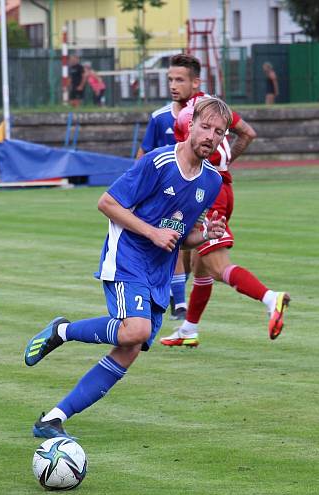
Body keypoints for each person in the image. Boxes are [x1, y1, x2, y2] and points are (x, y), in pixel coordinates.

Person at [23, 97, 232, 439]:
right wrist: (152, 232)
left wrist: (205, 233)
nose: (210, 136)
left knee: (129, 349)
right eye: (205, 126)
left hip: (158, 273)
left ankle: (54, 419)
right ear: (190, 124)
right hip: (128, 257)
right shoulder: (158, 162)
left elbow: (181, 237)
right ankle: (62, 331)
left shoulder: (211, 182)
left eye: (218, 132)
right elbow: (107, 202)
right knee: (134, 330)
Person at [160, 102, 289, 348]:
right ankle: (189, 329)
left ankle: (271, 298)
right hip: (223, 185)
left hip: (210, 192)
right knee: (201, 268)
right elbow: (246, 134)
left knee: (218, 267)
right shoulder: (214, 113)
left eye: (179, 79)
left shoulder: (192, 116)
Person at [136, 53, 205, 320]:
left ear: (195, 83)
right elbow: (142, 156)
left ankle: (176, 291)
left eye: (179, 80)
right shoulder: (160, 118)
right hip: (167, 196)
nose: (173, 85)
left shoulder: (208, 115)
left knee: (193, 252)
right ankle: (179, 304)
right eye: (170, 80)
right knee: (172, 241)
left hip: (198, 195)